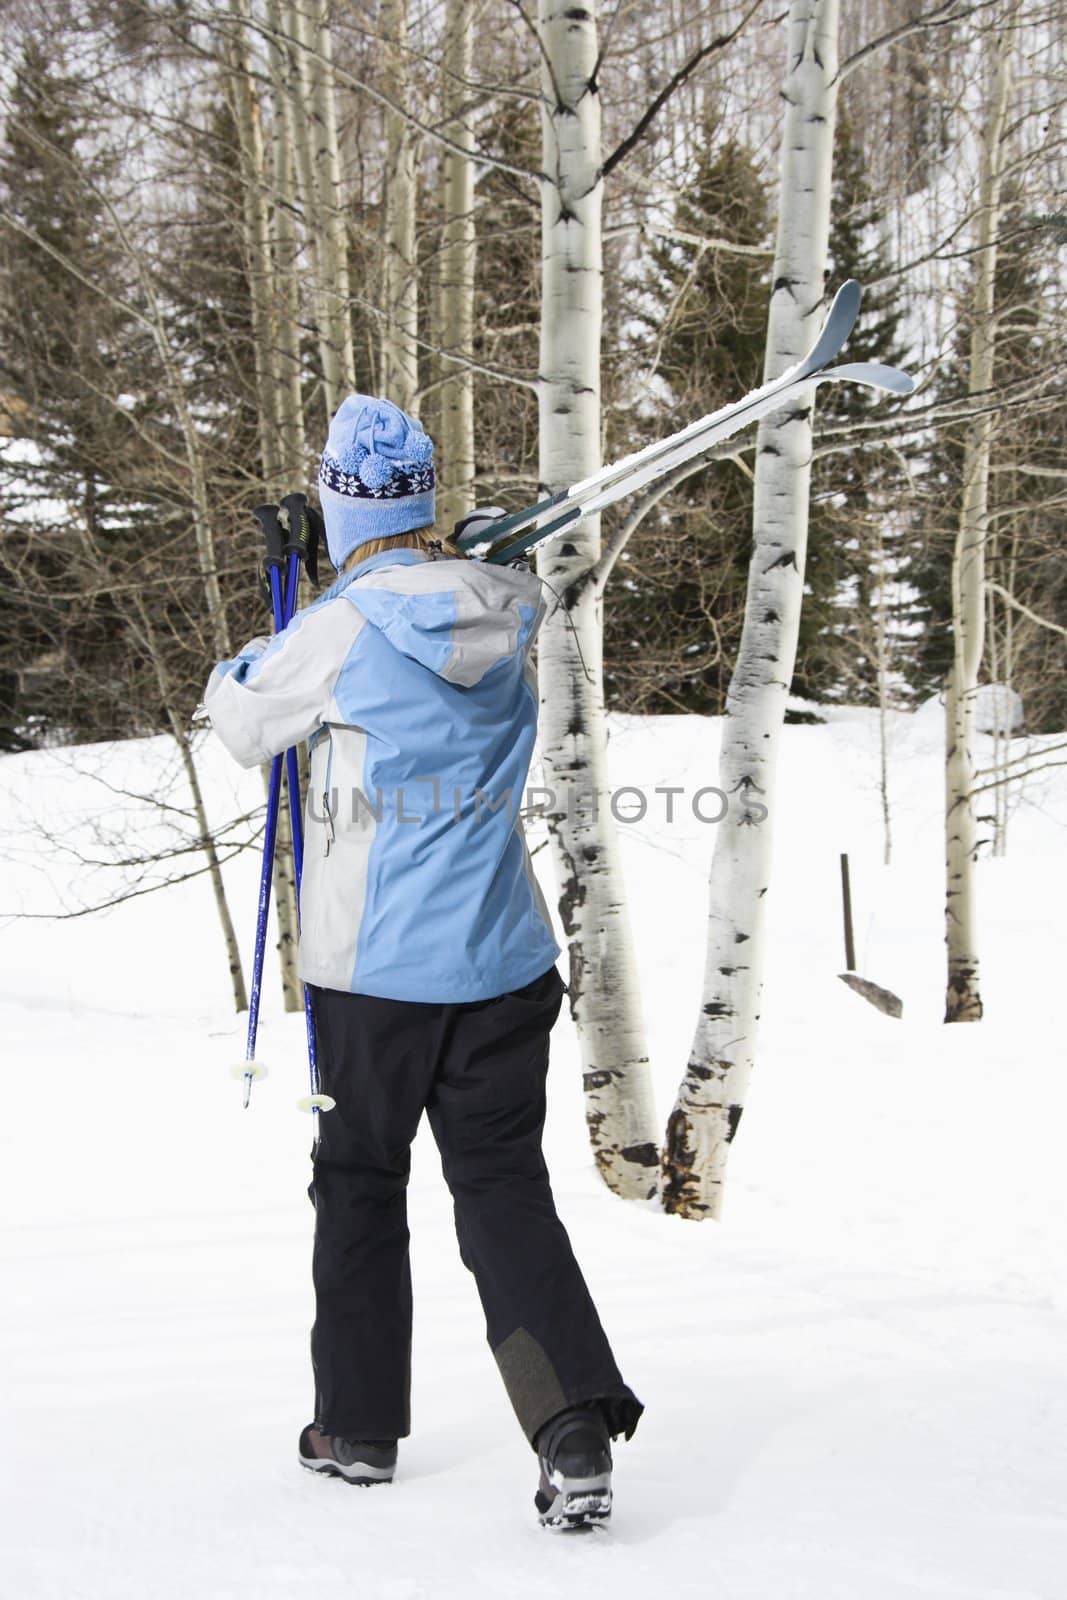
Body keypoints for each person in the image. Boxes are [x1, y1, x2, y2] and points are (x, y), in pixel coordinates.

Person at [203, 394, 643, 1528]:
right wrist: (379, 564)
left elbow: (246, 719)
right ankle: (570, 1424)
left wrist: (295, 602)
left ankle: (354, 1426)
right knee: (500, 1190)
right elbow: (445, 594)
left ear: (343, 507)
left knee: (359, 1183)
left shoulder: (336, 632)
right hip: (501, 963)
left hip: (377, 978)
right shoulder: (508, 606)